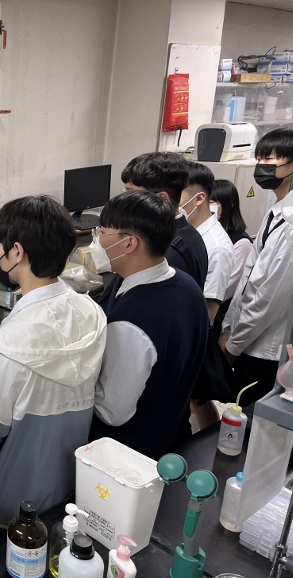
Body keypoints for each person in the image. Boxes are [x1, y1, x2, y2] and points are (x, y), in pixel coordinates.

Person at [0, 196, 107, 524]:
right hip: (70, 481)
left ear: (17, 252)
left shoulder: (6, 347)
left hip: (14, 498)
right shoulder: (93, 315)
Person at [90, 191, 208, 459]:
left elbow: (112, 412)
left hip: (131, 453)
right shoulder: (187, 286)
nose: (97, 240)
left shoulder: (131, 323)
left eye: (102, 232)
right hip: (172, 431)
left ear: (129, 243)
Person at [221, 128, 293, 405]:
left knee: (249, 417)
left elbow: (269, 297)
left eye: (269, 159)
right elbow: (249, 277)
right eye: (259, 158)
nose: (261, 166)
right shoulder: (277, 210)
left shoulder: (292, 224)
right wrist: (229, 326)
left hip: (266, 349)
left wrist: (233, 346)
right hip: (248, 339)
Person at [120, 152, 208, 289]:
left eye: (131, 193)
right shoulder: (187, 233)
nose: (124, 200)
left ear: (161, 198)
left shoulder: (163, 250)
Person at [184, 163, 234, 325]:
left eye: (176, 194)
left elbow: (208, 312)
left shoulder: (217, 246)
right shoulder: (182, 230)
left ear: (199, 198)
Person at [211, 179, 254, 307]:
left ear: (230, 204)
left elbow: (227, 288)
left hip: (216, 307)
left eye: (211, 202)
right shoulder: (210, 233)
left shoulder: (242, 242)